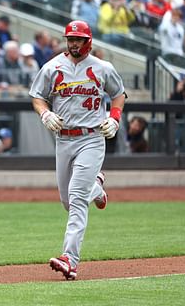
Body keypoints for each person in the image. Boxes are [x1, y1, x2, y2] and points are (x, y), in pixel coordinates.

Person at [29, 20, 126, 280]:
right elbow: (37, 96)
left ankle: (69, 259)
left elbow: (119, 94)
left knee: (76, 197)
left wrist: (115, 118)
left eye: (78, 39)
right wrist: (45, 113)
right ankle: (97, 187)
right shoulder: (52, 67)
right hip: (63, 139)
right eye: (70, 38)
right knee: (67, 201)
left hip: (92, 138)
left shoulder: (102, 68)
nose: (73, 43)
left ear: (88, 41)